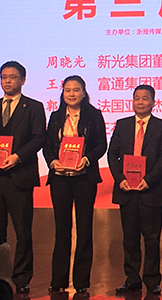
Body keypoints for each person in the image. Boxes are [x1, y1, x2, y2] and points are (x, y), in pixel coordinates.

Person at [0, 61, 46, 294]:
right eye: (4, 77)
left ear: (23, 80)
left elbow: (39, 138)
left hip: (19, 178)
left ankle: (22, 278)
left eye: (12, 77)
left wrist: (17, 157)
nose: (7, 81)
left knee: (23, 232)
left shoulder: (34, 107)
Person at [43, 75, 107, 294]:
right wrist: (52, 162)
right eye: (68, 90)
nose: (71, 94)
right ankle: (58, 280)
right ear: (63, 93)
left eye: (76, 90)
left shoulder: (94, 115)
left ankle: (81, 282)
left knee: (84, 228)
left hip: (84, 178)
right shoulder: (56, 116)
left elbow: (101, 144)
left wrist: (86, 159)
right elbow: (47, 145)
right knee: (61, 229)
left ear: (84, 92)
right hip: (60, 178)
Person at [108, 85, 162, 296]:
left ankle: (152, 280)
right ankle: (132, 279)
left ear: (153, 102)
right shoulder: (122, 124)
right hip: (126, 190)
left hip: (151, 191)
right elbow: (112, 154)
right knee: (130, 238)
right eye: (137, 98)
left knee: (152, 239)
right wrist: (120, 179)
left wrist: (148, 179)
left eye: (145, 98)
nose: (141, 102)